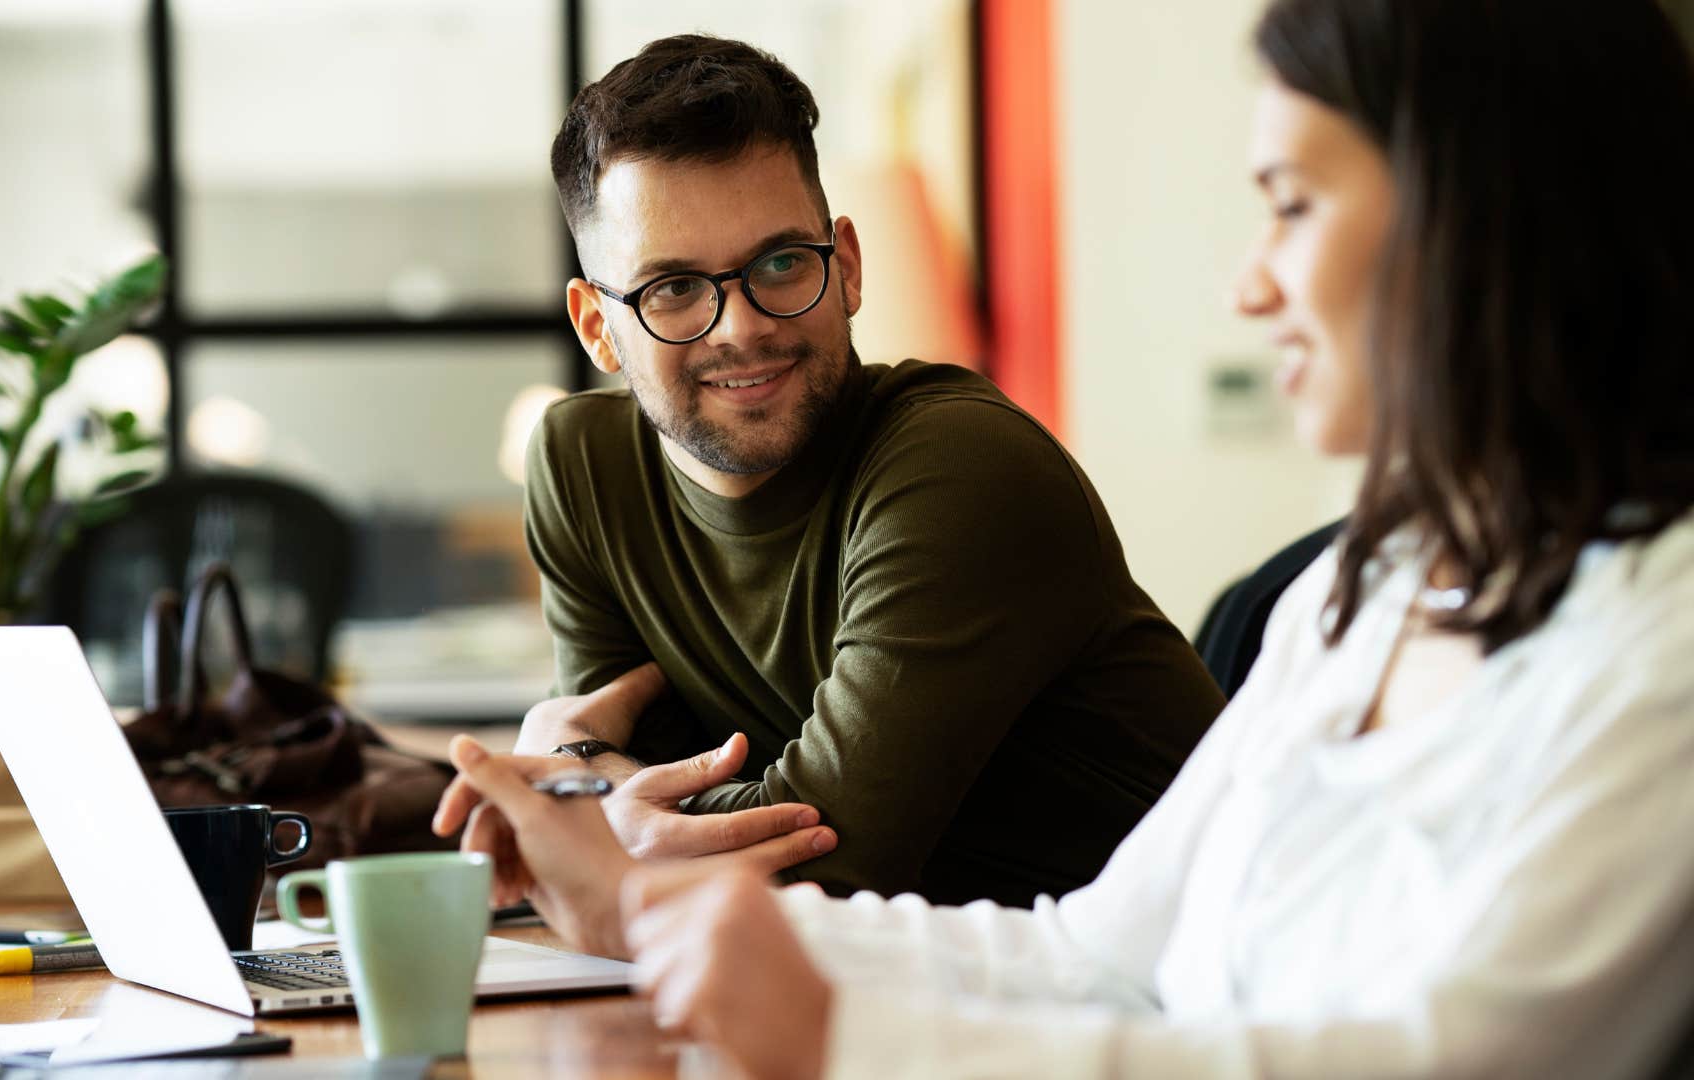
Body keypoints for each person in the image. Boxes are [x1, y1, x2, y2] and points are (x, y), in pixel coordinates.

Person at [440, 0, 1694, 1075]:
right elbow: (1094, 951)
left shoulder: (1664, 653)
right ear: (601, 324)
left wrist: (837, 1024)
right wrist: (655, 902)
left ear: (1481, 222)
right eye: (671, 287)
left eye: (1292, 206)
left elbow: (1442, 1064)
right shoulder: (1370, 596)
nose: (1246, 288)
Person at [432, 34, 1228, 908]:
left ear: (845, 266)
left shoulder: (959, 466)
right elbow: (622, 775)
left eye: (780, 263)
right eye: (673, 289)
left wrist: (599, 798)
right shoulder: (580, 468)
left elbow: (829, 858)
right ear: (596, 327)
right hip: (882, 985)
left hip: (1150, 989)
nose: (739, 326)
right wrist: (604, 789)